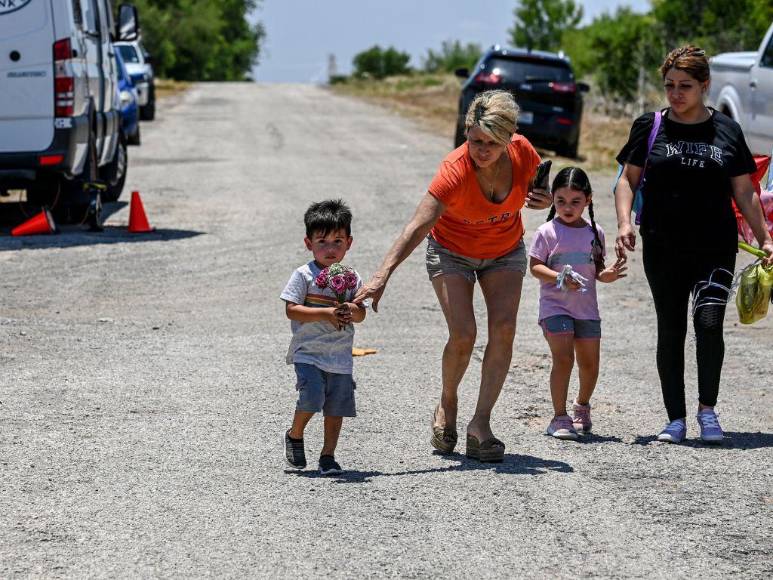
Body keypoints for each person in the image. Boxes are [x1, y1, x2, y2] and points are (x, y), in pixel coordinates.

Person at [354, 90, 552, 462]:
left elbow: (543, 195)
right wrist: (382, 276)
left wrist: (547, 200)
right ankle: (448, 402)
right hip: (451, 254)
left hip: (504, 251)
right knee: (464, 333)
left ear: (509, 138)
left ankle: (481, 425)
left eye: (491, 143)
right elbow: (417, 225)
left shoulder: (524, 152)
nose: (480, 150)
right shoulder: (455, 170)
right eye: (474, 140)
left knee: (505, 329)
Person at [614, 46, 773, 444]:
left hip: (715, 245)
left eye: (685, 86)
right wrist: (622, 224)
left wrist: (767, 238)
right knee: (671, 329)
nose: (676, 94)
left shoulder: (727, 131)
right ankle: (675, 420)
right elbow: (626, 180)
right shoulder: (649, 126)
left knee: (709, 322)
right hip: (662, 245)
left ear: (705, 85)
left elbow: (744, 192)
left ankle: (708, 411)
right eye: (669, 86)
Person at [529, 167, 627, 440]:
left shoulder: (595, 232)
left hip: (586, 309)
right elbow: (535, 267)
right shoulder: (547, 231)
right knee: (563, 359)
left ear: (588, 200)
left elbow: (597, 269)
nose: (568, 207)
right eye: (560, 201)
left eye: (575, 201)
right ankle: (559, 418)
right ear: (552, 199)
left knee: (590, 365)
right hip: (554, 307)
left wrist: (607, 275)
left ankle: (581, 407)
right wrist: (559, 277)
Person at [280, 199, 367, 475]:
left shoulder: (351, 278)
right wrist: (327, 312)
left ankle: (328, 455)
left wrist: (349, 309)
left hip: (340, 356)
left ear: (349, 243)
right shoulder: (304, 275)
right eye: (322, 242)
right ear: (309, 244)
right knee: (312, 398)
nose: (330, 249)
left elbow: (361, 314)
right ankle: (295, 435)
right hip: (309, 353)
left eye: (338, 242)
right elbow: (292, 310)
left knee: (336, 407)